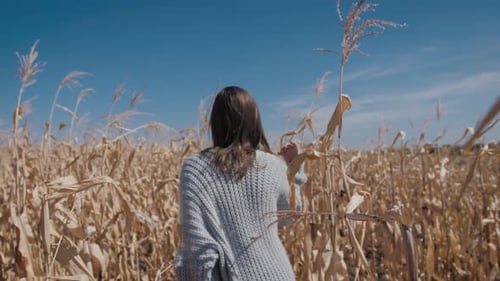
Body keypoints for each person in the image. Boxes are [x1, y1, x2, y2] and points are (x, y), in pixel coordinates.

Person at [174, 86, 306, 281]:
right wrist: (294, 169)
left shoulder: (195, 167)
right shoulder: (274, 164)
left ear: (215, 122)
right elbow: (290, 214)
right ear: (254, 120)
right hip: (278, 273)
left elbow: (199, 246)